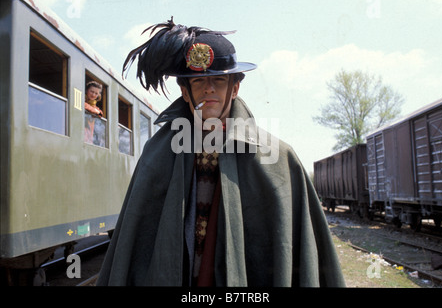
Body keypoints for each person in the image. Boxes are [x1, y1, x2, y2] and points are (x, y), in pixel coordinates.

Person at [97, 18, 345, 287]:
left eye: (219, 80)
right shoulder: (157, 153)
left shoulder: (277, 158)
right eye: (198, 80)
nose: (209, 89)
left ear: (235, 89)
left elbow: (295, 250)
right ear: (184, 91)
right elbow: (133, 244)